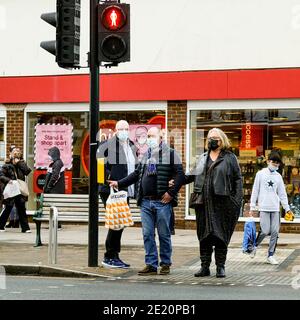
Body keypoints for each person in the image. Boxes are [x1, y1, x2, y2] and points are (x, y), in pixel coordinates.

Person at [109, 127, 184, 276]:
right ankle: (151, 264)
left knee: (164, 234)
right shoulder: (145, 155)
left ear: (161, 137)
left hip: (162, 202)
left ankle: (165, 263)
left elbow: (180, 175)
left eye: (152, 136)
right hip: (146, 202)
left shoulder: (171, 154)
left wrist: (171, 192)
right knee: (147, 234)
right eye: (148, 136)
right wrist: (119, 183)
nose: (149, 139)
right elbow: (136, 174)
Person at [184, 128, 243, 278]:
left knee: (220, 235)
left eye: (215, 137)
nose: (212, 140)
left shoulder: (230, 158)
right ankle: (204, 266)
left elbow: (237, 179)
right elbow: (191, 175)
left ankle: (220, 267)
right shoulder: (203, 157)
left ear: (222, 140)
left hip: (223, 203)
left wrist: (236, 200)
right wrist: (175, 181)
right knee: (204, 236)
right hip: (203, 203)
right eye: (210, 137)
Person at [97, 120, 138, 269]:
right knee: (116, 223)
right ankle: (109, 256)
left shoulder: (132, 146)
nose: (124, 131)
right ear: (115, 130)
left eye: (126, 128)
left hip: (124, 190)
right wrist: (109, 179)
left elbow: (135, 167)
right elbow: (99, 168)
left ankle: (114, 255)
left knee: (120, 223)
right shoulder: (106, 145)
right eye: (121, 129)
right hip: (110, 190)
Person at [249, 150, 293, 265]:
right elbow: (255, 190)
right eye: (274, 162)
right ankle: (254, 246)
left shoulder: (278, 176)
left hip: (275, 208)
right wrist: (252, 206)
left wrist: (287, 208)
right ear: (268, 161)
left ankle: (270, 255)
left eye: (278, 163)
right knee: (265, 231)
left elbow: (282, 194)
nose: (276, 165)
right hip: (263, 207)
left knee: (274, 232)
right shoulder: (260, 174)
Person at [0, 148, 32, 232]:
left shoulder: (22, 164)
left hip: (19, 189)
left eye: (18, 152)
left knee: (21, 208)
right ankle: (0, 225)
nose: (17, 153)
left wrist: (19, 163)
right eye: (15, 152)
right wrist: (8, 180)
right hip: (11, 188)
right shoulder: (7, 165)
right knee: (8, 207)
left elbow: (27, 171)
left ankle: (25, 228)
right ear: (11, 154)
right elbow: (1, 175)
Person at [43, 146, 65, 230]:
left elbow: (55, 176)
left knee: (55, 207)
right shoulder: (55, 163)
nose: (50, 157)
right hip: (55, 189)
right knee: (53, 207)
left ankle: (56, 225)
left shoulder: (58, 163)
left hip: (56, 190)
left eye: (50, 155)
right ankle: (54, 224)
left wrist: (49, 186)